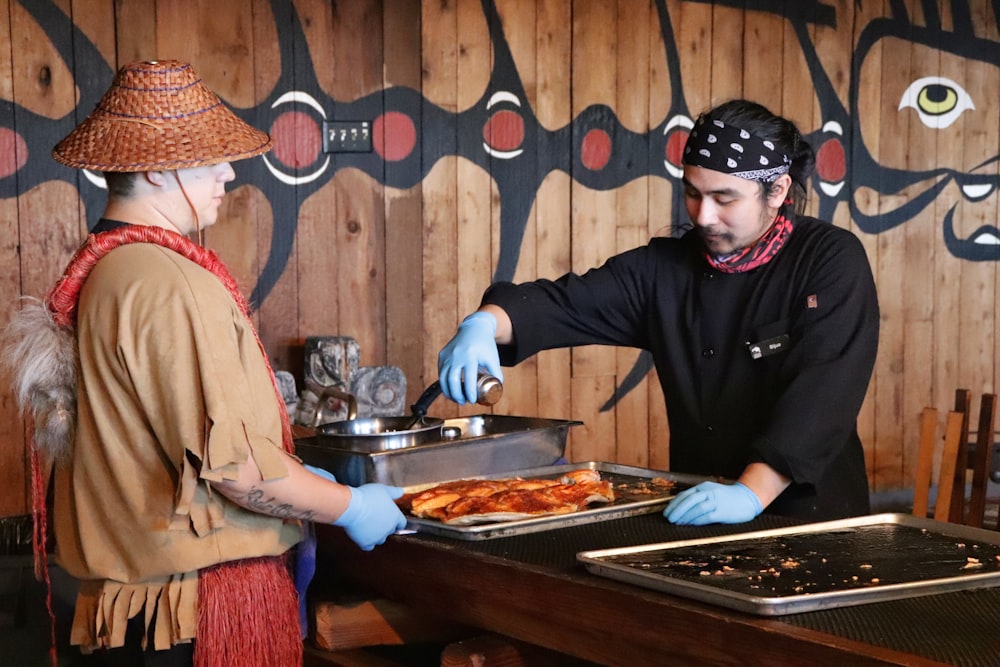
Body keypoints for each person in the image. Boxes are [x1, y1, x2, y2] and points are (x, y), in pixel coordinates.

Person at [0, 60, 406, 666]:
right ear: (158, 170)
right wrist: (351, 507)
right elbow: (239, 474)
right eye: (207, 156)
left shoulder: (106, 270)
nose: (229, 171)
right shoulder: (168, 281)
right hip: (192, 622)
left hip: (139, 614)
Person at [438, 99, 879, 526]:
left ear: (777, 190)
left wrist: (750, 493)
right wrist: (485, 323)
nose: (703, 216)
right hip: (697, 506)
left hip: (814, 519)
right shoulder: (664, 270)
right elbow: (568, 301)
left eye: (724, 199)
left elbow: (826, 390)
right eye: (692, 193)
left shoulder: (829, 259)